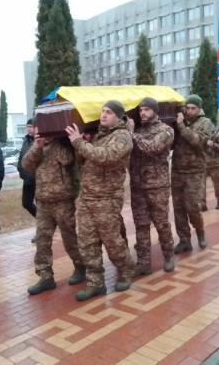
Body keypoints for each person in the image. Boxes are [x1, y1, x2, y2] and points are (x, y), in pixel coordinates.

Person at [66, 100, 135, 301]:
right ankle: (95, 283)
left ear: (119, 117)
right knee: (87, 242)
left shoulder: (122, 136)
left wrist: (79, 142)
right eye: (103, 111)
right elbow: (85, 163)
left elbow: (106, 157)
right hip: (87, 197)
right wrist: (83, 143)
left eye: (109, 112)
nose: (104, 115)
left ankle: (126, 270)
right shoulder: (97, 136)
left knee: (112, 240)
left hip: (107, 198)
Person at [22, 125, 85, 295]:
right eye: (35, 128)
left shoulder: (61, 143)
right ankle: (46, 277)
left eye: (38, 127)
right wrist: (38, 146)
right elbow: (26, 164)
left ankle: (80, 266)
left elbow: (68, 160)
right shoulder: (37, 146)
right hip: (42, 201)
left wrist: (57, 139)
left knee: (69, 237)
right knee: (42, 241)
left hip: (62, 200)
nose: (37, 131)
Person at [127, 97, 175, 277]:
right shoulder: (136, 130)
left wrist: (131, 134)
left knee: (161, 223)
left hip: (157, 186)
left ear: (155, 111)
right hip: (138, 186)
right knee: (140, 225)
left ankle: (169, 256)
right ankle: (143, 263)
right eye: (140, 110)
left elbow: (152, 148)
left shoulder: (167, 131)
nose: (142, 113)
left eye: (146, 109)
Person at [171, 94, 215, 253]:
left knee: (192, 206)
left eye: (193, 108)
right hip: (177, 170)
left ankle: (200, 232)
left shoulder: (206, 123)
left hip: (194, 171)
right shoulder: (179, 122)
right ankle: (184, 240)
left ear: (199, 108)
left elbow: (197, 141)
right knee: (178, 208)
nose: (189, 111)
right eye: (187, 108)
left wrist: (181, 126)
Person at [18, 118, 37, 243]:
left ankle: (42, 229)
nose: (29, 129)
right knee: (26, 203)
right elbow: (21, 157)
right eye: (27, 127)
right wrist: (20, 170)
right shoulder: (26, 140)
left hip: (38, 179)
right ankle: (43, 221)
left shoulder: (40, 141)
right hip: (27, 179)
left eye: (30, 126)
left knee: (41, 205)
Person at [200, 132, 219, 212]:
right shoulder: (200, 135)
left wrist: (213, 145)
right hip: (203, 164)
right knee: (201, 186)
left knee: (217, 185)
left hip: (214, 164)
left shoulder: (216, 135)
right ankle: (202, 204)